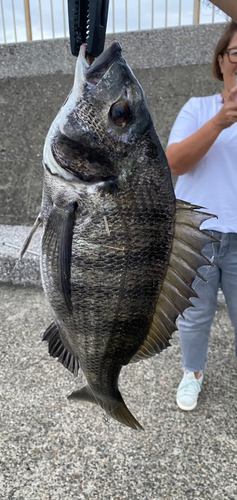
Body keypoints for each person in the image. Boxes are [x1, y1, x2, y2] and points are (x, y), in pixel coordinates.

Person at [166, 21, 237, 411]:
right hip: (198, 235)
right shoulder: (198, 108)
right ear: (221, 60)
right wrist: (221, 120)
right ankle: (192, 372)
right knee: (193, 316)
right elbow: (175, 163)